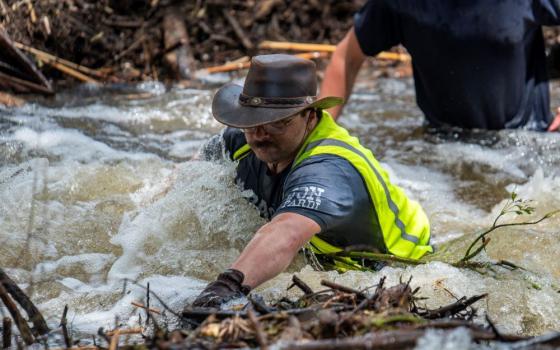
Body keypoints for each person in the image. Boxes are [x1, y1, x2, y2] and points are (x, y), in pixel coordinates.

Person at [188, 54, 432, 308]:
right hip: (319, 253)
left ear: (310, 116)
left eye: (277, 123)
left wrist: (225, 288)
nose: (260, 134)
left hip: (393, 269)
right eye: (252, 120)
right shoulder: (241, 138)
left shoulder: (330, 169)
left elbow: (286, 233)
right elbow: (186, 177)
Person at [320, 0, 560, 132]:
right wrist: (317, 137)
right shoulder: (400, 4)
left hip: (528, 141)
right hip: (441, 143)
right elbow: (345, 59)